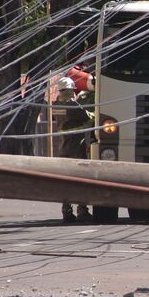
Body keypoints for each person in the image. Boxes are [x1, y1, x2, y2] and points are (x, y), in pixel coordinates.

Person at [55, 77, 94, 222]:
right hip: (76, 147)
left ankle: (66, 211)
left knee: (66, 181)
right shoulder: (72, 106)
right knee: (81, 179)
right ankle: (82, 211)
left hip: (63, 147)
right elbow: (87, 117)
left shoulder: (56, 105)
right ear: (71, 90)